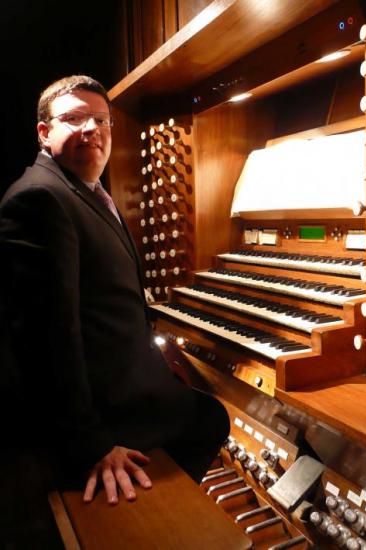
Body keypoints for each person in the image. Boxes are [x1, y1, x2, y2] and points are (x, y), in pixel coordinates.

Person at [0, 75, 229, 511]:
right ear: (44, 132)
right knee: (210, 420)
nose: (91, 128)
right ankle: (163, 521)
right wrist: (93, 446)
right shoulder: (39, 199)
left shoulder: (84, 191)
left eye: (101, 120)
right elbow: (46, 342)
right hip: (104, 411)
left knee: (198, 400)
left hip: (123, 379)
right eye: (74, 118)